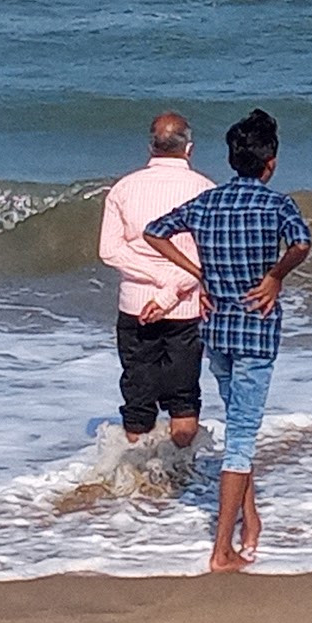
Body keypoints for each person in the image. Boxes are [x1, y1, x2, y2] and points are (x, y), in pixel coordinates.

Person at [142, 109, 311, 573]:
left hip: (215, 331)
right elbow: (301, 244)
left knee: (239, 429)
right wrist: (275, 276)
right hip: (255, 331)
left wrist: (201, 273)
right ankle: (221, 549)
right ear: (270, 162)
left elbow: (154, 232)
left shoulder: (208, 202)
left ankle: (249, 522)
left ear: (232, 158)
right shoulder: (278, 205)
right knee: (241, 440)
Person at [97, 112, 216, 446]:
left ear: (150, 147)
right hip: (185, 308)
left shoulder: (124, 188)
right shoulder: (205, 190)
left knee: (137, 404)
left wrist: (157, 282)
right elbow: (203, 257)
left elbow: (110, 251)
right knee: (184, 404)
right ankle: (179, 484)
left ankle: (139, 487)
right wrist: (168, 291)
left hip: (135, 306)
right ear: (189, 149)